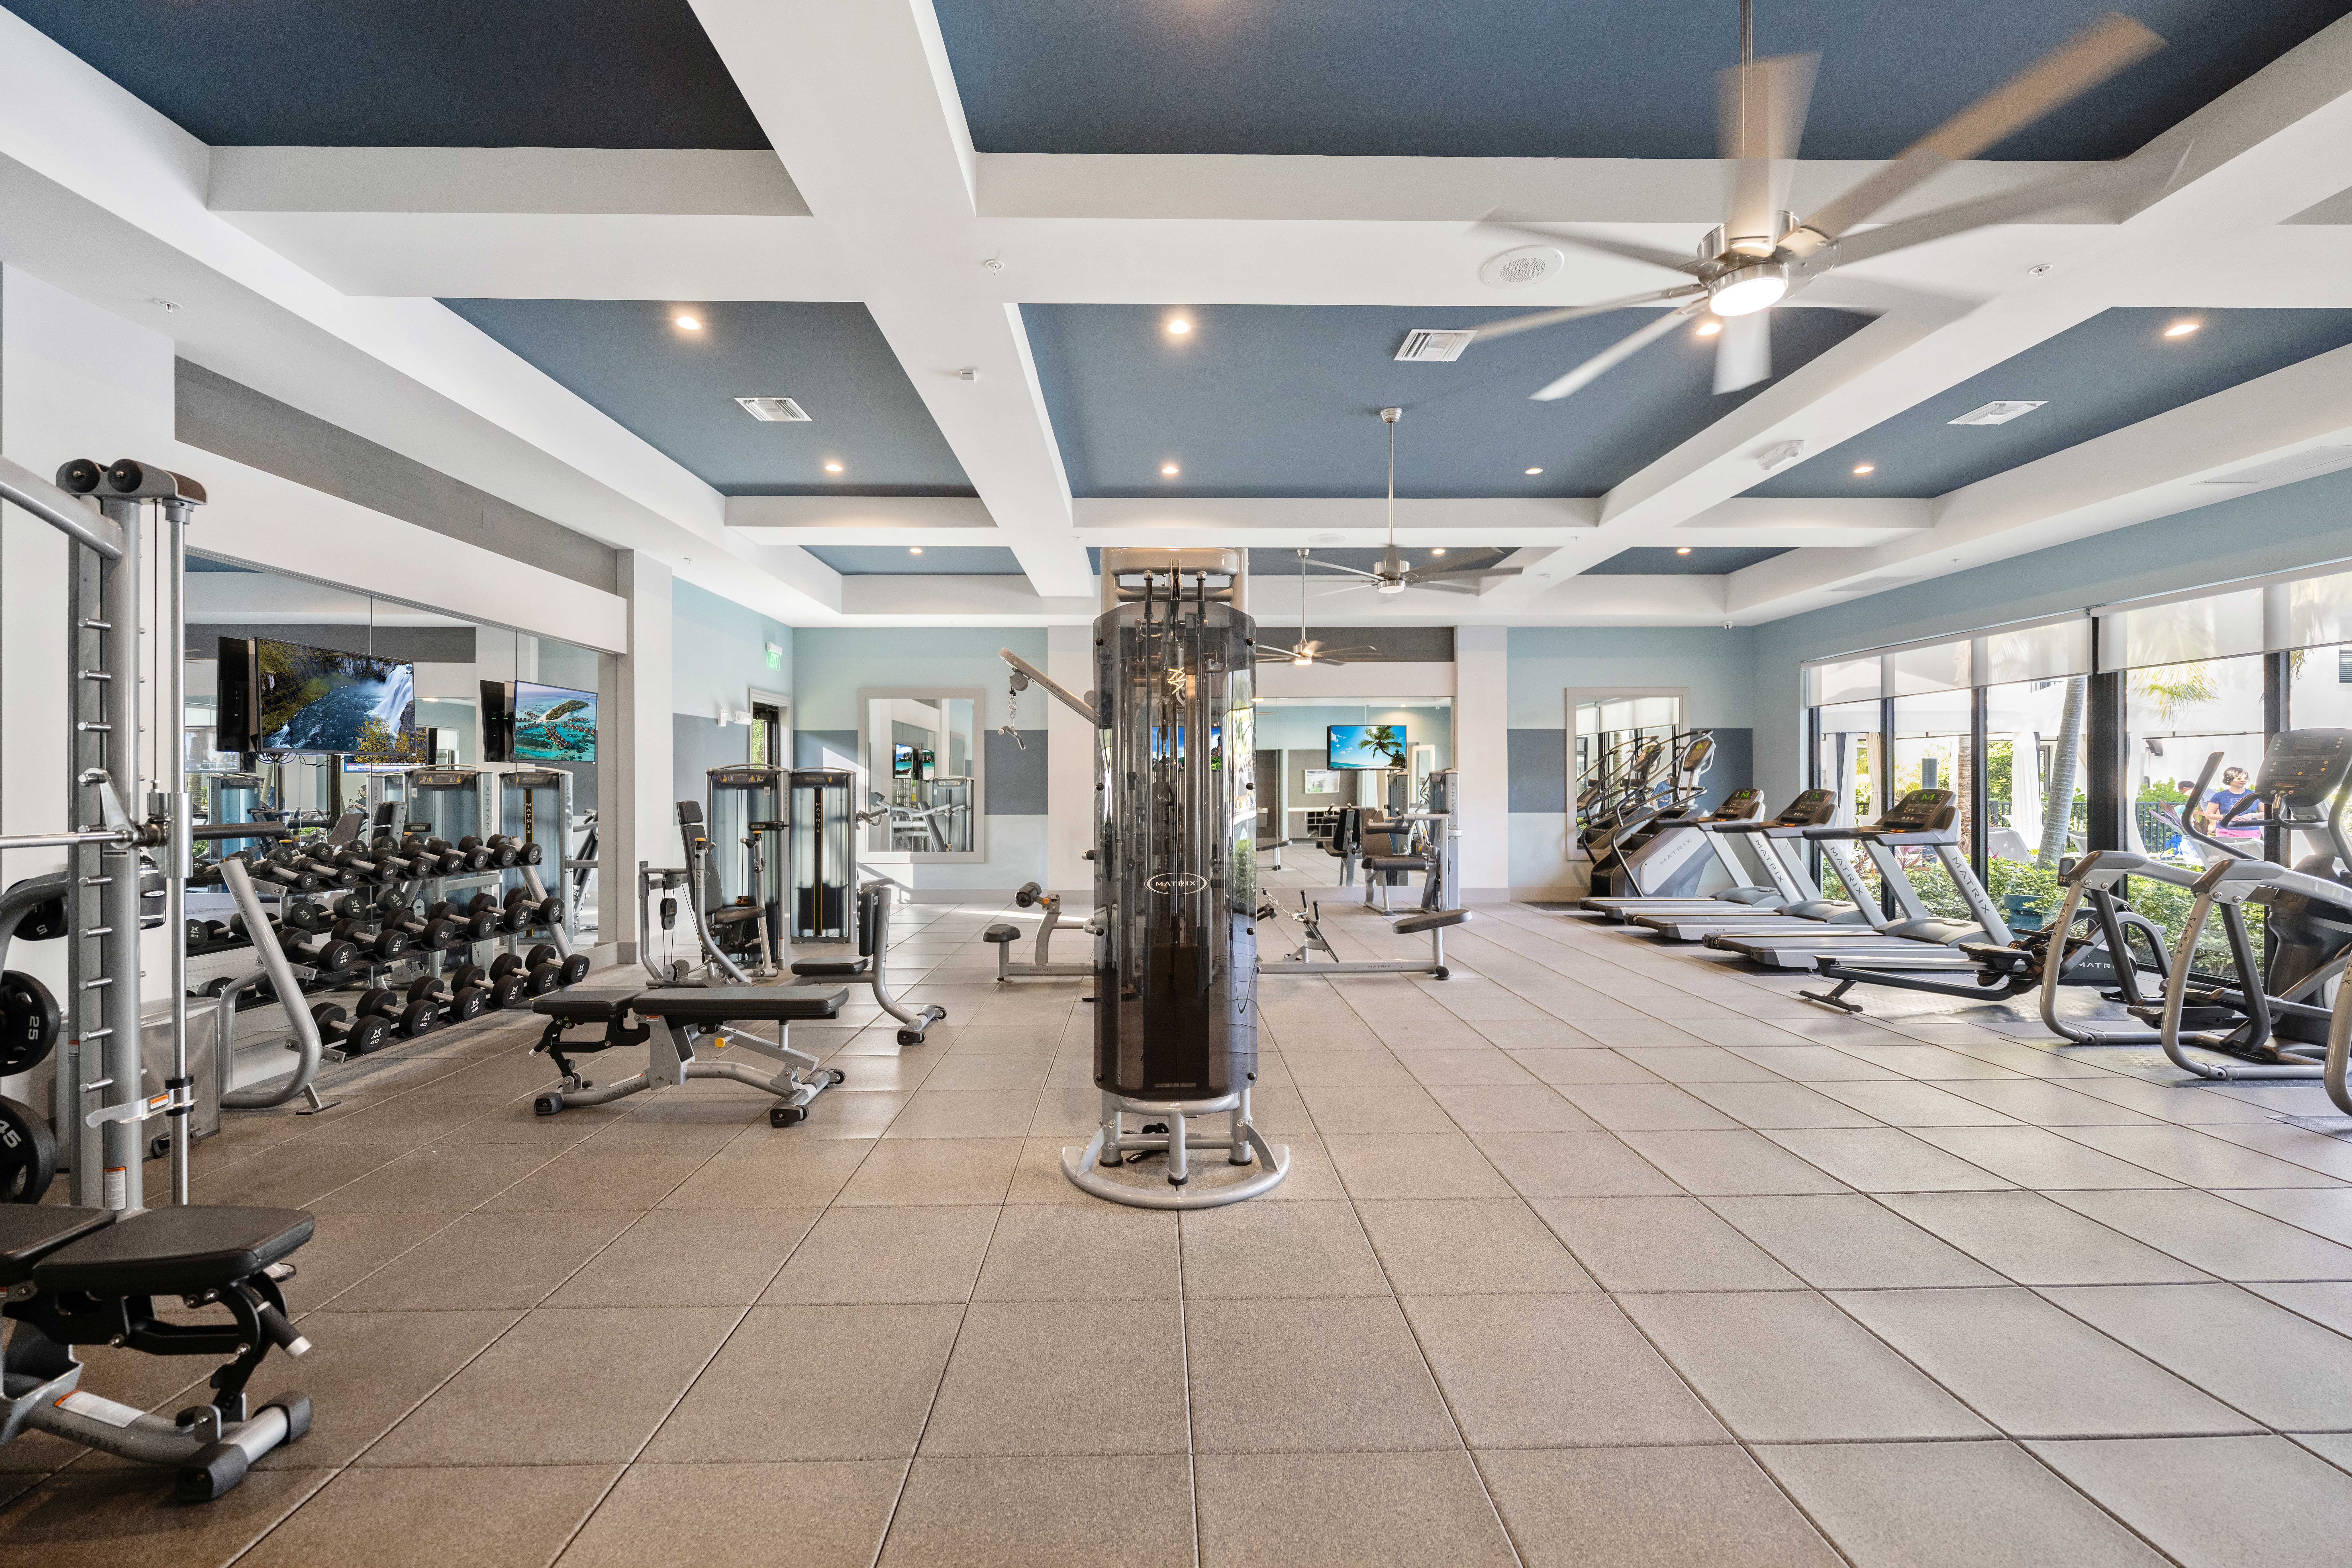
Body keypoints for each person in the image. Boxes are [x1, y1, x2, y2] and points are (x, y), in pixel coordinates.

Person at [2206, 767, 2259, 837]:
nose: (2243, 781)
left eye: (2246, 778)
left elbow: (2265, 813)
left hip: (2251, 831)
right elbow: (2209, 815)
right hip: (2226, 831)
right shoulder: (2219, 796)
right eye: (2239, 779)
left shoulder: (2254, 795)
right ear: (2229, 780)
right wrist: (2227, 817)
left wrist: (2252, 815)